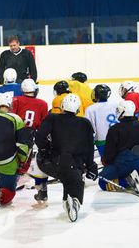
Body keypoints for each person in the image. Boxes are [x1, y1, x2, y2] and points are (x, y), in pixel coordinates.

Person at [32, 94, 97, 222]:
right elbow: (89, 148)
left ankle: (42, 189)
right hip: (75, 166)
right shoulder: (85, 123)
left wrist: (45, 150)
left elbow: (39, 138)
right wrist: (90, 166)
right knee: (73, 177)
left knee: (38, 156)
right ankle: (74, 200)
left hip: (53, 164)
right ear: (78, 109)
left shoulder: (52, 118)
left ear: (62, 107)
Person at [0, 93, 33, 209]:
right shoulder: (16, 119)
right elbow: (21, 145)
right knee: (9, 192)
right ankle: (1, 193)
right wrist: (22, 163)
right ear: (10, 104)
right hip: (7, 163)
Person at [99, 100, 139, 193]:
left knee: (102, 181)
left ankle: (128, 181)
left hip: (123, 164)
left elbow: (109, 153)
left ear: (122, 111)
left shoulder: (114, 129)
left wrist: (106, 162)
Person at [85, 84, 118, 156]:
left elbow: (89, 128)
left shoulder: (91, 109)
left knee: (106, 161)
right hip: (118, 138)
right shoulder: (116, 105)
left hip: (102, 140)